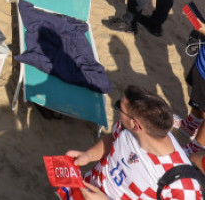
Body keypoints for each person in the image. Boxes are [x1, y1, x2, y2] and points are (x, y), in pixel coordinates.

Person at [64, 85, 202, 200]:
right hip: (83, 189)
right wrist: (89, 155)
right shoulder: (127, 128)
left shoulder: (183, 187)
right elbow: (113, 138)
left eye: (119, 108)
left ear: (135, 124)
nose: (118, 112)